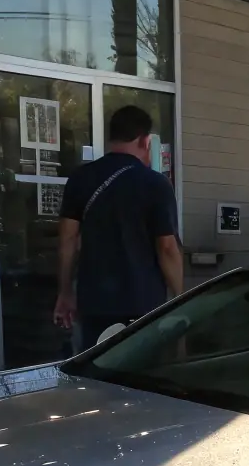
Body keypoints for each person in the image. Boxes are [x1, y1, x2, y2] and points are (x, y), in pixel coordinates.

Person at [54, 105, 183, 351]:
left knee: (96, 372)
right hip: (143, 302)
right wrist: (179, 297)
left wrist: (65, 291)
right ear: (145, 141)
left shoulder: (81, 178)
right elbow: (167, 248)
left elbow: (67, 239)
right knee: (139, 375)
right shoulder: (155, 184)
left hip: (94, 300)